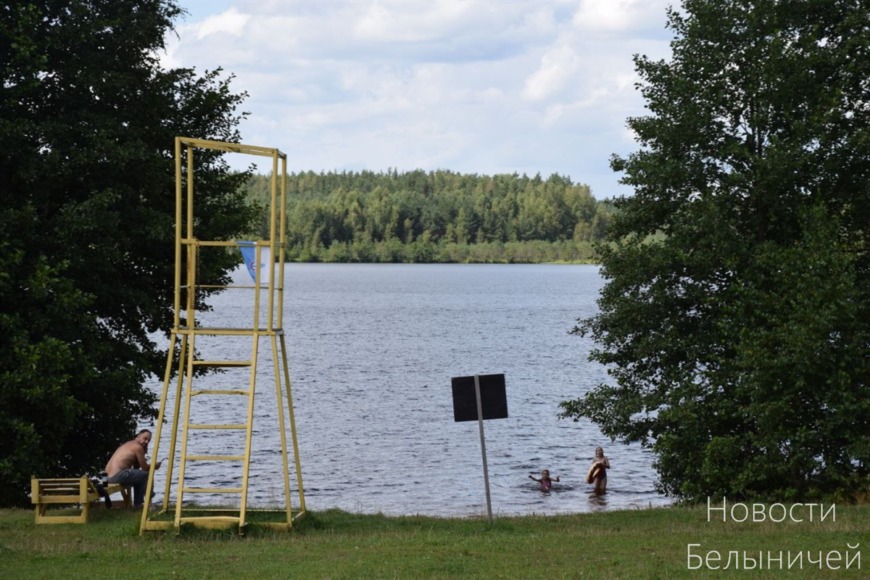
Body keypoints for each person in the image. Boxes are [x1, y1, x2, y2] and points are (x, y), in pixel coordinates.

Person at [104, 428, 162, 508]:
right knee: (147, 475)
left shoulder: (128, 444)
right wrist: (154, 466)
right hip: (117, 475)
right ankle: (149, 503)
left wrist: (143, 454)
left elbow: (136, 468)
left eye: (148, 440)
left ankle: (138, 505)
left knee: (140, 477)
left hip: (107, 477)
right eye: (145, 438)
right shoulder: (138, 447)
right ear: (138, 437)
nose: (146, 442)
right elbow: (145, 468)